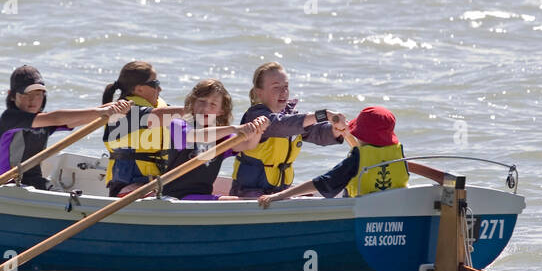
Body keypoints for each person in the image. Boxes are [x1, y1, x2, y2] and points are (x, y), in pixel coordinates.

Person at [0, 65, 129, 190]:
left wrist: (113, 107)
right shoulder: (10, 118)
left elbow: (74, 120)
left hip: (34, 182)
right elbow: (56, 118)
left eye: (38, 94)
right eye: (26, 95)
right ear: (12, 96)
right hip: (10, 184)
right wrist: (101, 111)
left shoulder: (43, 122)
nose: (33, 100)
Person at [229, 61, 347, 198]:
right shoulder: (257, 116)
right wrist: (323, 115)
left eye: (286, 86)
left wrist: (335, 131)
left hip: (278, 193)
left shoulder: (291, 117)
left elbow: (317, 132)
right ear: (259, 93)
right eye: (276, 87)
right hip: (249, 193)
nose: (283, 92)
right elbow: (280, 125)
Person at [258, 105, 410, 206]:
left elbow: (324, 183)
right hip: (392, 208)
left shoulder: (357, 158)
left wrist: (279, 196)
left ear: (362, 134)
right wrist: (349, 137)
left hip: (361, 212)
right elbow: (370, 157)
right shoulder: (397, 152)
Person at [161, 80, 269, 200]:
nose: (205, 107)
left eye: (213, 104)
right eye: (201, 101)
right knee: (234, 201)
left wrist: (259, 129)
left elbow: (248, 144)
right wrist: (234, 128)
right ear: (193, 104)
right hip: (175, 197)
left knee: (241, 200)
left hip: (202, 196)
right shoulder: (177, 125)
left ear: (221, 111)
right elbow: (196, 136)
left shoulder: (222, 137)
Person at [101, 61, 186, 197]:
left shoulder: (161, 108)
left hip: (155, 183)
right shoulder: (123, 114)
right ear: (139, 89)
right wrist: (195, 110)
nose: (160, 89)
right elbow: (155, 116)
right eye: (155, 84)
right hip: (126, 188)